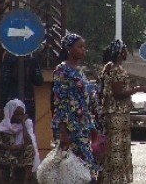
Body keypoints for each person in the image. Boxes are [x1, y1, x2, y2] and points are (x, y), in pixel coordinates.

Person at [100, 39, 146, 184]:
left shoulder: (109, 68)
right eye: (125, 50)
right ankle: (116, 179)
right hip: (118, 113)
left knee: (114, 147)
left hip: (115, 113)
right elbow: (118, 94)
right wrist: (138, 89)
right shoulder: (116, 69)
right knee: (117, 148)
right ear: (119, 52)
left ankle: (111, 178)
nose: (126, 52)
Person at [51, 33, 100, 181]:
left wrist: (91, 126)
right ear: (69, 49)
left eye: (84, 47)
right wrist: (63, 131)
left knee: (85, 171)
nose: (83, 50)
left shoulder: (79, 70)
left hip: (82, 126)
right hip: (69, 128)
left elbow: (84, 100)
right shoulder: (62, 70)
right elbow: (59, 102)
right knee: (73, 171)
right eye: (80, 47)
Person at [0, 98, 40, 184]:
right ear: (10, 114)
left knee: (30, 148)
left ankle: (26, 181)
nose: (19, 117)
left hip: (20, 155)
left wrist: (23, 124)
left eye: (21, 114)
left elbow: (28, 143)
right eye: (17, 114)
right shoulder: (3, 125)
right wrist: (10, 147)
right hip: (6, 155)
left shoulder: (27, 123)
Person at [0, 52, 44, 122]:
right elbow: (38, 80)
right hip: (28, 100)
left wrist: (1, 103)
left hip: (12, 100)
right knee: (27, 129)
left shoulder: (9, 56)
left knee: (12, 130)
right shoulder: (32, 56)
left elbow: (4, 81)